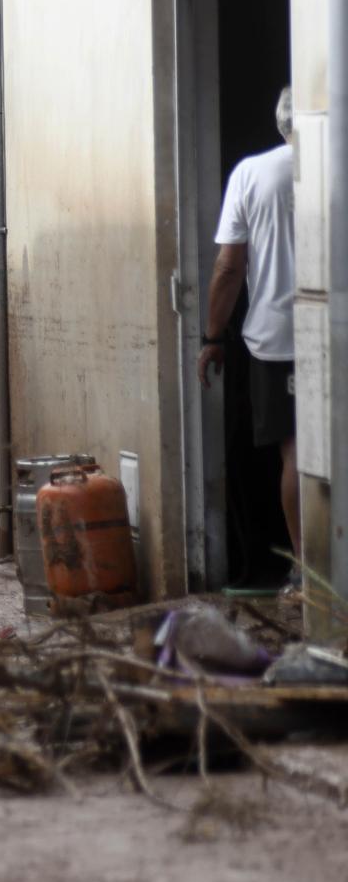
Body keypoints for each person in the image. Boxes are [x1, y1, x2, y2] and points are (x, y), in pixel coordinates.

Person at [200, 86, 299, 567]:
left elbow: (228, 268)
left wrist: (213, 336)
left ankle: (308, 573)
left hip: (278, 338)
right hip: (330, 333)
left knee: (296, 452)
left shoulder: (253, 174)